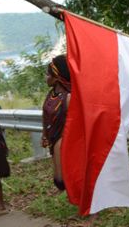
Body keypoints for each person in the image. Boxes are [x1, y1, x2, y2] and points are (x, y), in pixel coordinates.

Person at [42, 54, 71, 191]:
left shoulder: (69, 97)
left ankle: (92, 212)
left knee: (72, 175)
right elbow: (47, 116)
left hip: (66, 140)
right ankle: (81, 209)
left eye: (48, 74)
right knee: (62, 177)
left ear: (57, 77)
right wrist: (44, 134)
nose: (45, 77)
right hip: (54, 140)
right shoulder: (52, 94)